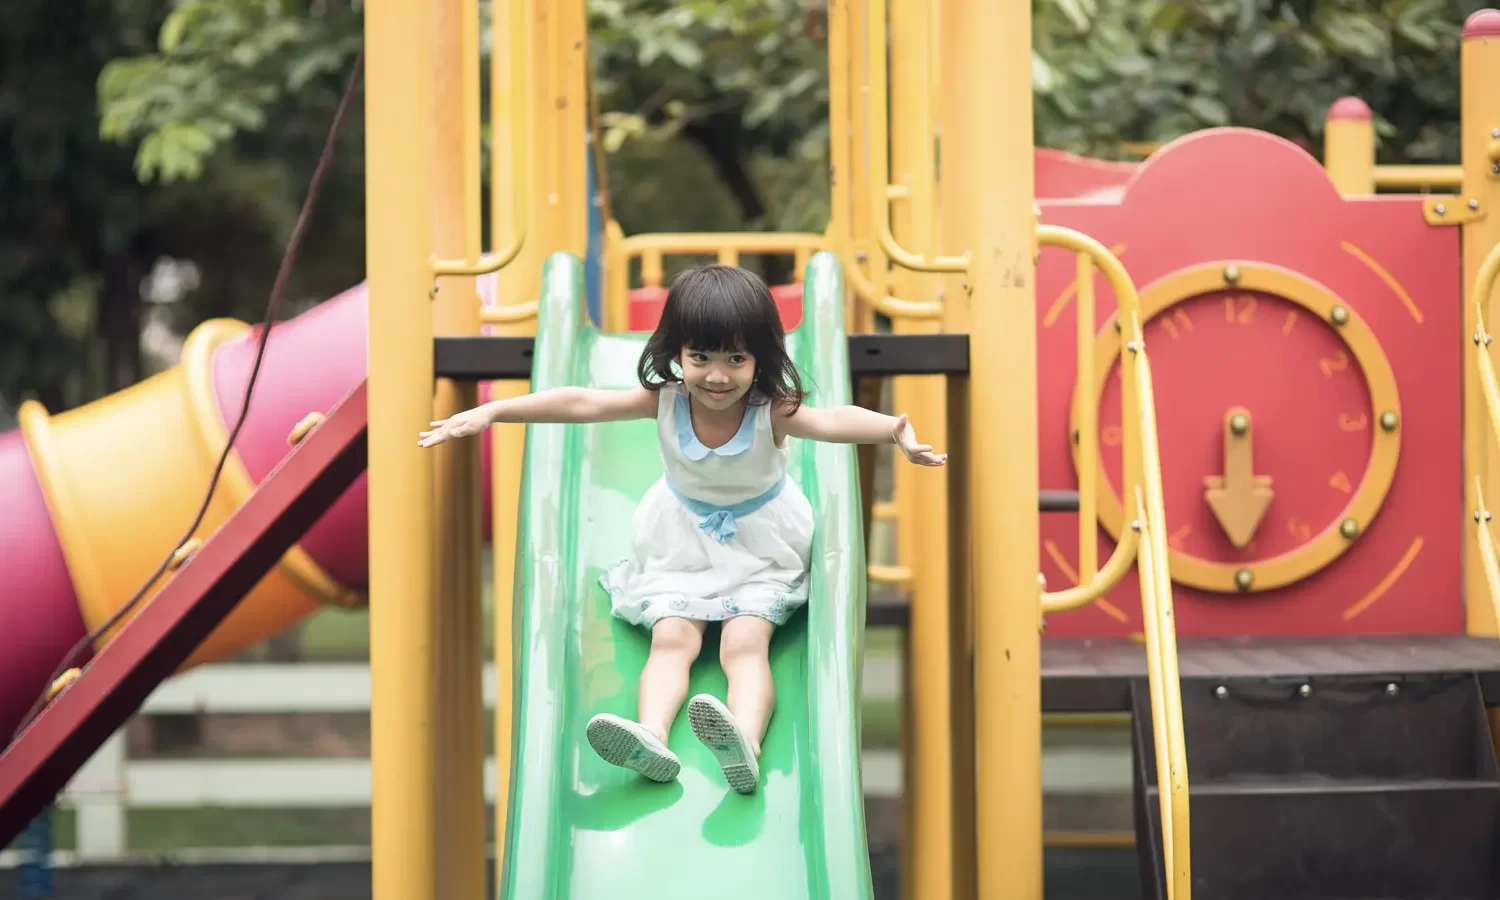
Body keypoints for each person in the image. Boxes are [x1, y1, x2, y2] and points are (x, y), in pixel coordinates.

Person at [418, 264, 945, 793]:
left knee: (744, 644)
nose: (718, 376)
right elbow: (582, 402)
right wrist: (494, 410)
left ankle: (745, 739)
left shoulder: (770, 411)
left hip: (761, 546)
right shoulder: (665, 402)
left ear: (761, 358)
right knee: (670, 639)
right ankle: (651, 737)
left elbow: (833, 421)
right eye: (701, 358)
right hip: (681, 541)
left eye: (736, 359)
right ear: (677, 353)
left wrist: (893, 430)